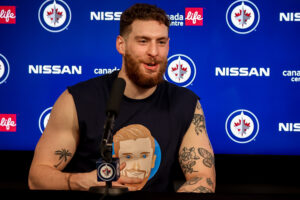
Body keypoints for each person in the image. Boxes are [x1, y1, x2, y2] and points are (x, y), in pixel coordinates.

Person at [28, 3, 216, 193]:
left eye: (161, 42)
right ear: (121, 45)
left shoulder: (185, 103)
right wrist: (83, 182)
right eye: (143, 41)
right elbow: (37, 178)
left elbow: (202, 177)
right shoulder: (77, 100)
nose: (154, 52)